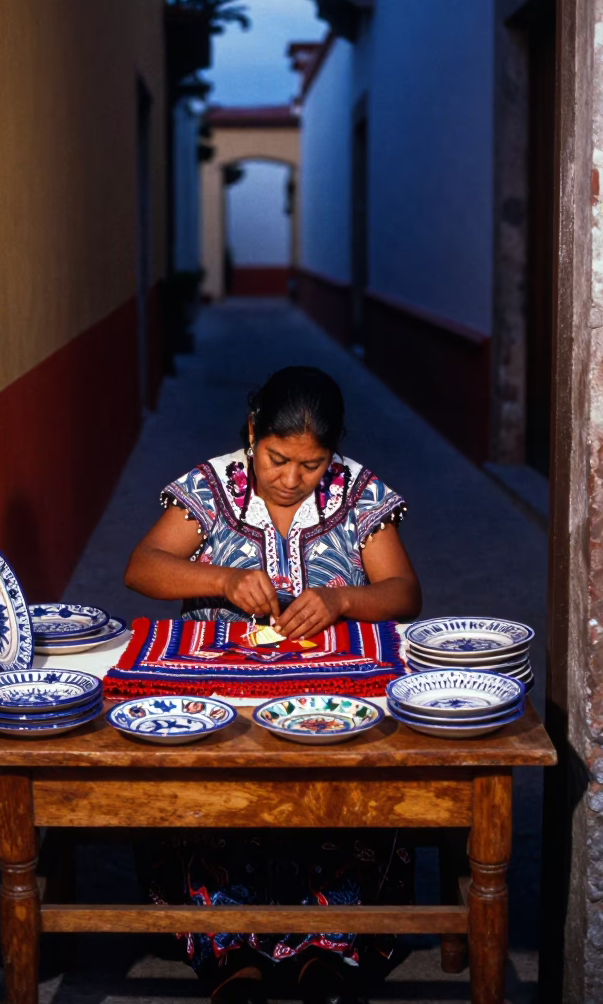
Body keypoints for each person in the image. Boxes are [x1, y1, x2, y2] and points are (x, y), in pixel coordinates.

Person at [125, 366, 421, 1004]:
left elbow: (404, 593)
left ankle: (328, 950)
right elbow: (142, 568)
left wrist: (342, 599)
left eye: (312, 465)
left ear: (333, 454)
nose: (291, 479)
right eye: (277, 458)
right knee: (220, 799)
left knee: (340, 796)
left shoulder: (360, 492)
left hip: (330, 704)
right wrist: (223, 582)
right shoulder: (209, 486)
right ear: (254, 433)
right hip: (224, 704)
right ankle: (231, 954)